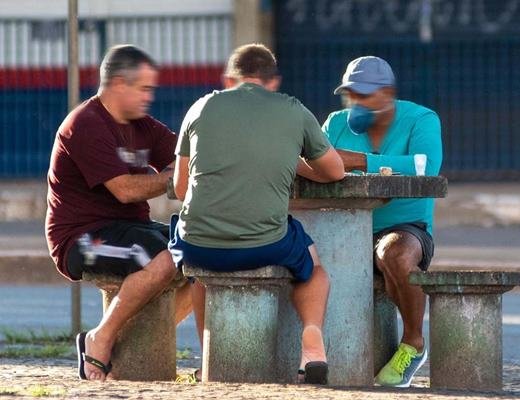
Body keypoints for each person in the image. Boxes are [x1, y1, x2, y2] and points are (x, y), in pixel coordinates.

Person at [168, 43, 345, 384]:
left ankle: (209, 358)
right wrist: (290, 161)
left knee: (202, 276)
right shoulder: (293, 110)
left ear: (230, 79)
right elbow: (335, 171)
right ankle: (312, 343)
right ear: (273, 81)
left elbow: (179, 188)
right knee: (313, 266)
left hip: (198, 245)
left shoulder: (201, 107)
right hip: (264, 243)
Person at [45, 44, 201, 381]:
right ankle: (99, 339)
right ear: (118, 84)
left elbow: (184, 156)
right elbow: (125, 189)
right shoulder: (85, 124)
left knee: (200, 253)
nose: (149, 97)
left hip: (130, 227)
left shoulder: (142, 124)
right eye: (143, 88)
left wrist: (181, 170)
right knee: (163, 258)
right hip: (80, 238)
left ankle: (131, 337)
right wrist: (175, 178)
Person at [322, 56, 443, 388]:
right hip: (343, 227)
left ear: (387, 92)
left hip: (406, 228)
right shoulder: (335, 123)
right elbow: (312, 161)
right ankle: (312, 354)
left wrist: (360, 161)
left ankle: (413, 344)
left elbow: (424, 167)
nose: (356, 102)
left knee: (394, 255)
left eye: (365, 94)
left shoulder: (421, 119)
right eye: (351, 94)